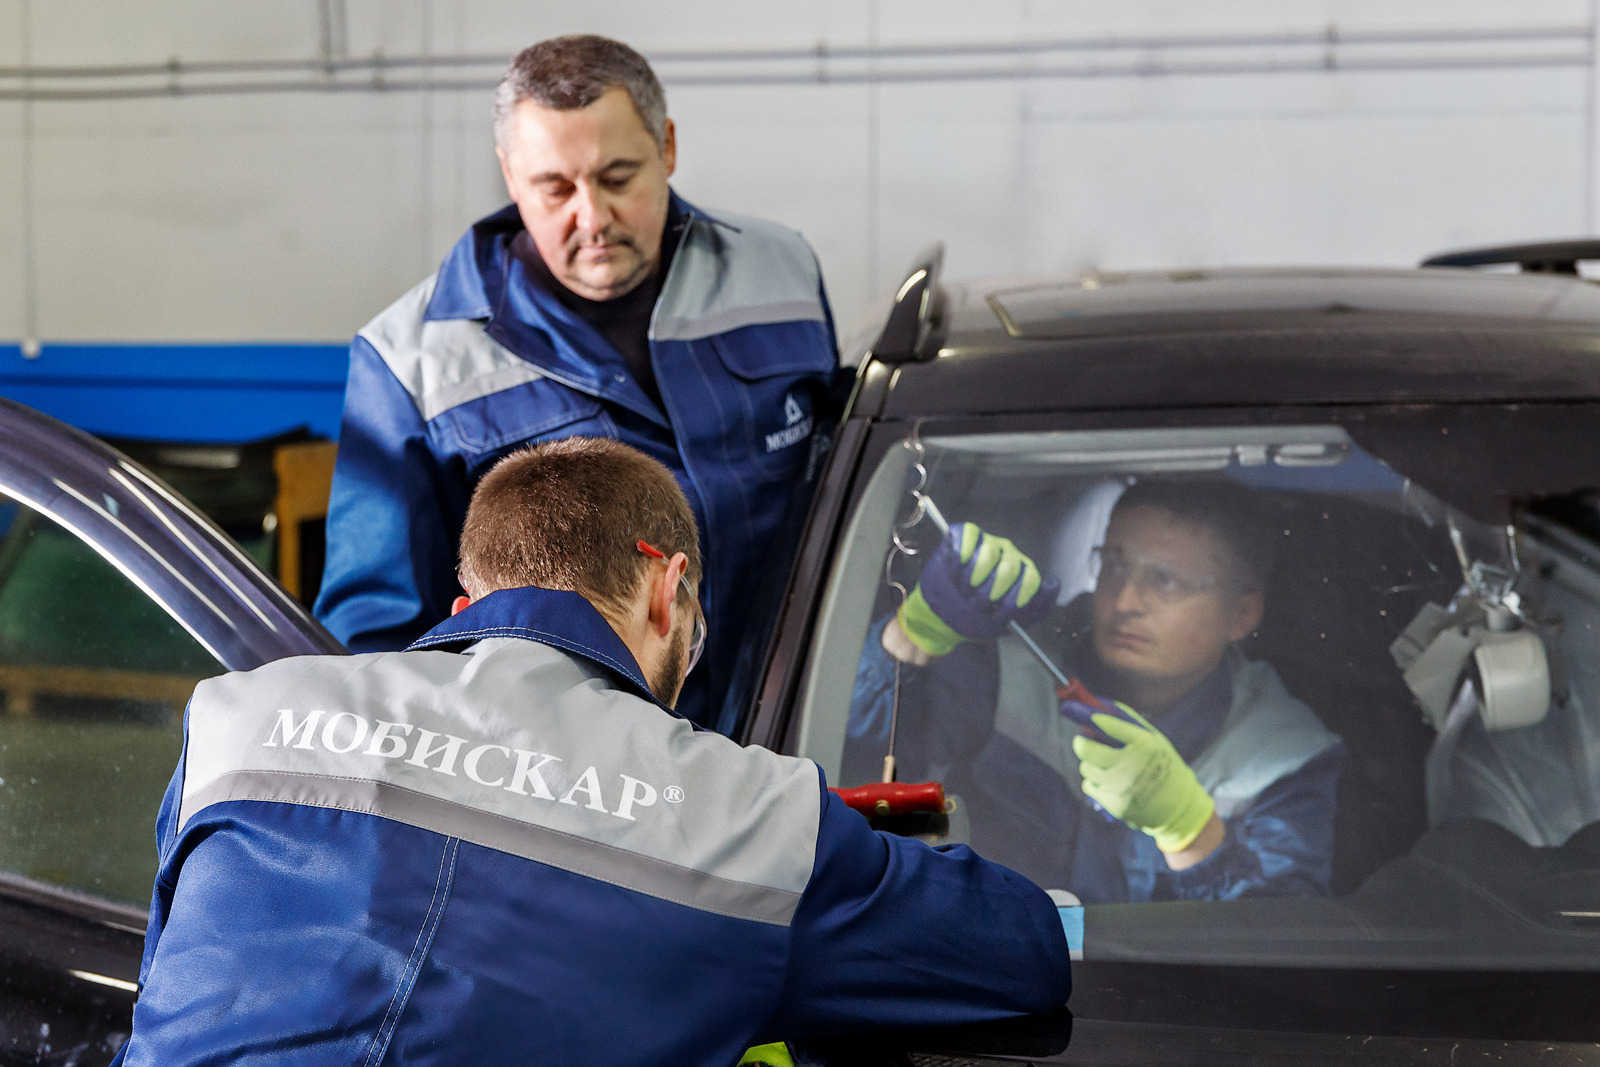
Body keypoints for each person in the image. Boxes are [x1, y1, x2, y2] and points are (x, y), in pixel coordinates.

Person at [114, 437, 1071, 1067]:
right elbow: (1023, 953)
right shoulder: (753, 821)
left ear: (465, 615)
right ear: (670, 592)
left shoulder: (239, 715)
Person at [313, 35, 841, 733]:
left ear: (669, 147)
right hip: (577, 796)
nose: (591, 218)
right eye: (555, 188)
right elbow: (376, 648)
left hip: (790, 741)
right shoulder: (412, 362)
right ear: (509, 174)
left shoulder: (783, 275)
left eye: (618, 177)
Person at [847, 477, 1347, 903]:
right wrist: (911, 636)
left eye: (1166, 580)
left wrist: (1192, 835)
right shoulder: (1013, 661)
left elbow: (1281, 941)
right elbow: (850, 756)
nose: (1125, 600)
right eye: (1115, 565)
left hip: (1150, 1006)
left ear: (1242, 613)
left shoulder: (1279, 755)